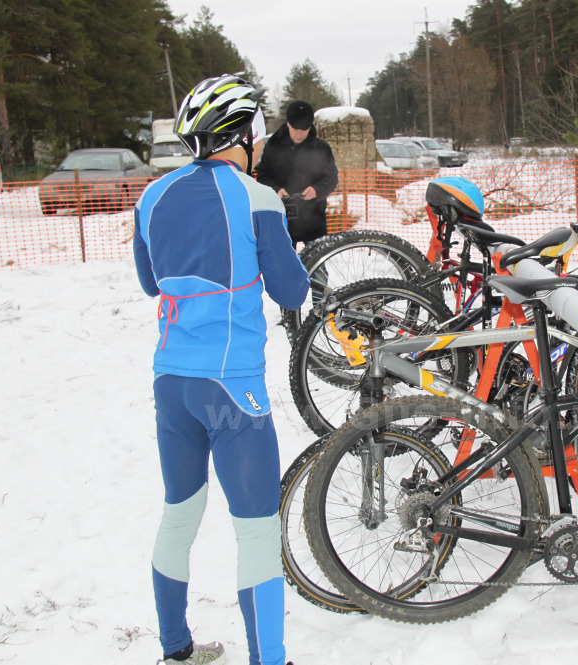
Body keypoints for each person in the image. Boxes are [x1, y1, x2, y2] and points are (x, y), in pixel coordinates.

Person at [133, 74, 308, 665]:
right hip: (231, 388)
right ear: (243, 135)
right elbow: (291, 290)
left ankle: (175, 650)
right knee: (256, 530)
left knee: (178, 515)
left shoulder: (152, 195)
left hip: (171, 382)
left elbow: (151, 282)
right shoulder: (256, 197)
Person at [255, 100, 338, 247]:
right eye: (295, 129)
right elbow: (262, 176)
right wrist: (276, 190)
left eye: (304, 129)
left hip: (314, 219)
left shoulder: (321, 148)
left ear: (310, 126)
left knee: (318, 260)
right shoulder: (273, 146)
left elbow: (331, 178)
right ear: (288, 124)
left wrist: (317, 190)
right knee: (284, 261)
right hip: (283, 218)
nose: (299, 134)